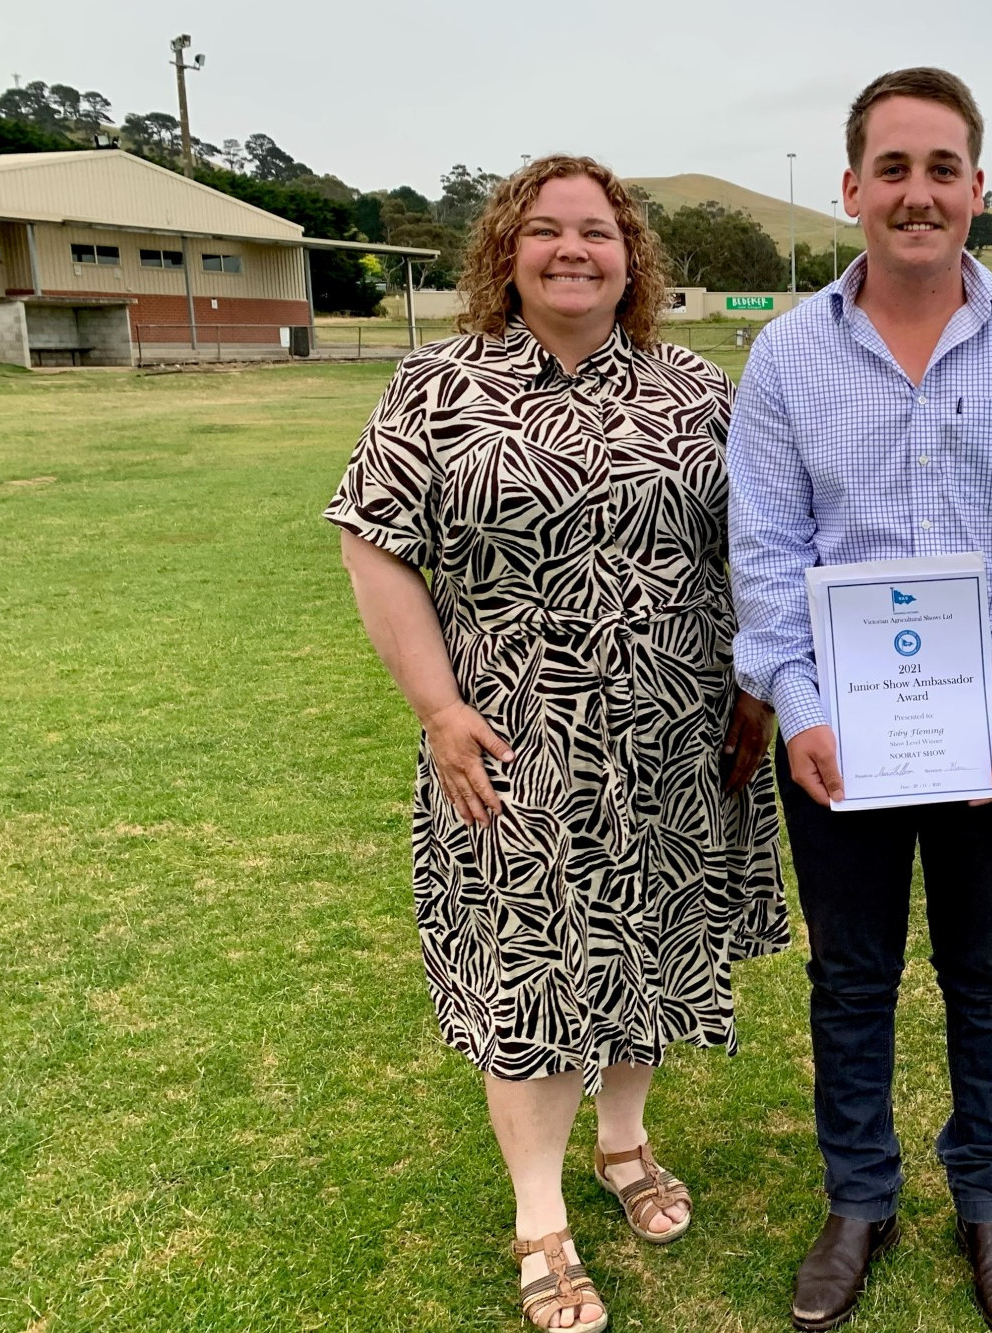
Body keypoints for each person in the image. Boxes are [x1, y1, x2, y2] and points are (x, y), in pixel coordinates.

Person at [325, 154, 788, 1333]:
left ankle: (625, 1145)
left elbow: (758, 549)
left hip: (676, 736)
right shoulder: (437, 387)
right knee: (532, 970)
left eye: (597, 232)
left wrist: (756, 688)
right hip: (512, 741)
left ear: (633, 258)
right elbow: (374, 544)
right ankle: (540, 1217)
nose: (572, 249)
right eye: (546, 231)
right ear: (506, 252)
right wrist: (436, 706)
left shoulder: (694, 392)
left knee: (648, 951)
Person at [728, 67, 992, 1333]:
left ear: (975, 191)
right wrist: (797, 703)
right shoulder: (786, 355)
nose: (916, 193)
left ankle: (987, 1203)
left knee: (986, 970)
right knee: (851, 973)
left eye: (941, 168)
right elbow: (767, 552)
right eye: (892, 168)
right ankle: (858, 1197)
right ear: (850, 189)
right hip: (841, 716)